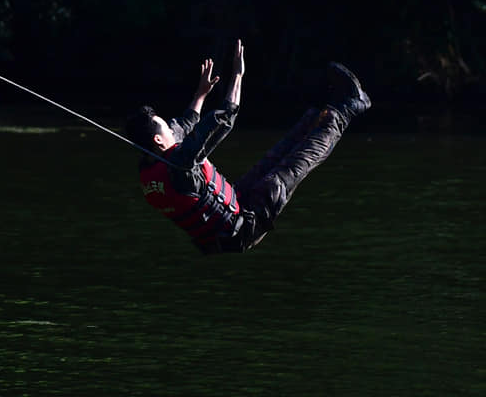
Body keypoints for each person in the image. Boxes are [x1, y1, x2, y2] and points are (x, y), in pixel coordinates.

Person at [127, 39, 370, 253]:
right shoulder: (178, 165)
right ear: (158, 140)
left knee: (276, 155)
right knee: (288, 170)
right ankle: (348, 108)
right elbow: (225, 116)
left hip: (236, 206)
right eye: (165, 127)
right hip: (242, 227)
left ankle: (319, 109)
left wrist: (201, 94)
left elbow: (185, 124)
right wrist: (238, 75)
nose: (171, 127)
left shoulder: (152, 163)